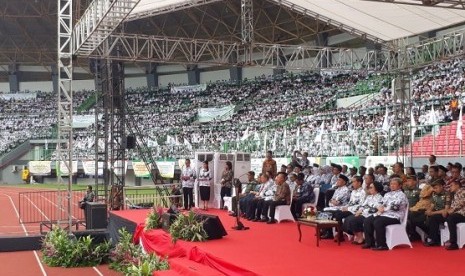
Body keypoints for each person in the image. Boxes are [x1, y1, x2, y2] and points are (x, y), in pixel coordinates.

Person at [362, 177, 408, 250]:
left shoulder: (401, 195)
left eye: (394, 184)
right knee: (367, 220)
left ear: (400, 186)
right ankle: (369, 242)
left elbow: (396, 207)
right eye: (391, 184)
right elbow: (382, 203)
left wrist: (384, 208)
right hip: (384, 214)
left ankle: (382, 245)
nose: (392, 185)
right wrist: (380, 207)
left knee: (378, 222)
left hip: (395, 216)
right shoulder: (387, 194)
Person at [330, 175, 366, 242]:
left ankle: (340, 235)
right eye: (352, 182)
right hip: (350, 208)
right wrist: (344, 207)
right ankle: (337, 233)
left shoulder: (363, 192)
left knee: (339, 215)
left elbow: (361, 205)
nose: (352, 183)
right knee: (336, 213)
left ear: (359, 183)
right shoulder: (353, 192)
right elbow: (350, 203)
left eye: (354, 182)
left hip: (355, 211)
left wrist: (348, 209)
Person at [423, 180, 450, 246]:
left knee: (433, 218)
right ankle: (431, 235)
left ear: (441, 187)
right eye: (433, 188)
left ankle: (434, 240)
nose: (434, 190)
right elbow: (432, 205)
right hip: (435, 212)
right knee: (421, 217)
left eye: (436, 188)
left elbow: (446, 210)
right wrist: (429, 211)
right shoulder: (434, 194)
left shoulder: (447, 194)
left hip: (444, 214)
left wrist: (432, 213)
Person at [445, 181, 465, 250]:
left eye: (451, 185)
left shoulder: (463, 191)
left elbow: (462, 202)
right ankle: (448, 239)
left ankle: (453, 243)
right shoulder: (455, 193)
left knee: (451, 218)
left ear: (457, 185)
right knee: (445, 216)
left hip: (463, 214)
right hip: (458, 213)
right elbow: (453, 205)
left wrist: (453, 210)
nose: (450, 187)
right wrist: (449, 210)